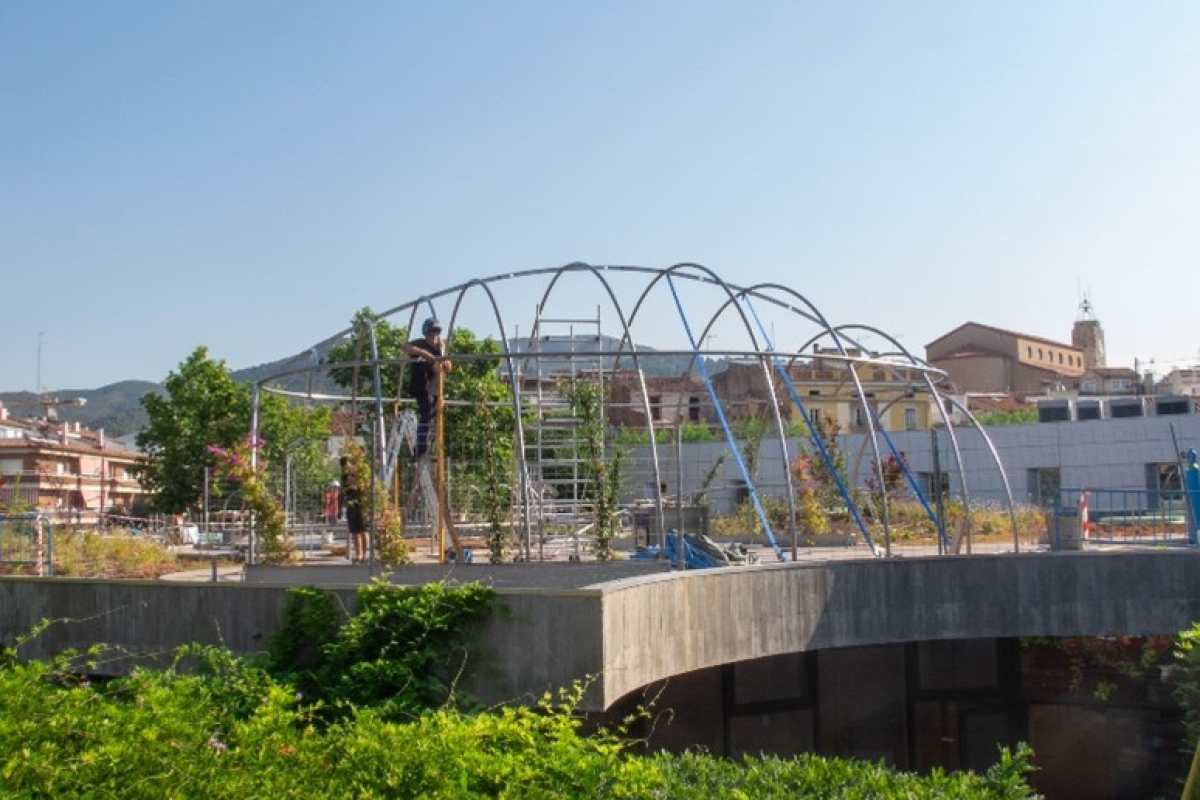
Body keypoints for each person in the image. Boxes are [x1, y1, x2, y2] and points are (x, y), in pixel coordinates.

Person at [400, 317, 453, 459]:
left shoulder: (439, 348)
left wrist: (441, 352)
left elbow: (448, 367)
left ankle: (429, 446)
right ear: (426, 334)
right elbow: (404, 347)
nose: (433, 337)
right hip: (421, 387)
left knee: (433, 416)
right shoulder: (420, 344)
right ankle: (421, 448)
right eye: (431, 334)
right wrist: (424, 354)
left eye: (436, 334)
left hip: (435, 389)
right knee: (427, 411)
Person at [340, 456, 368, 563]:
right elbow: (347, 489)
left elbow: (360, 486)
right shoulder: (344, 477)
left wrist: (355, 477)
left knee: (363, 529)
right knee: (355, 532)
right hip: (351, 505)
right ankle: (358, 555)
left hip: (362, 504)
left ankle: (365, 555)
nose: (347, 467)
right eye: (345, 466)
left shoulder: (360, 474)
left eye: (348, 464)